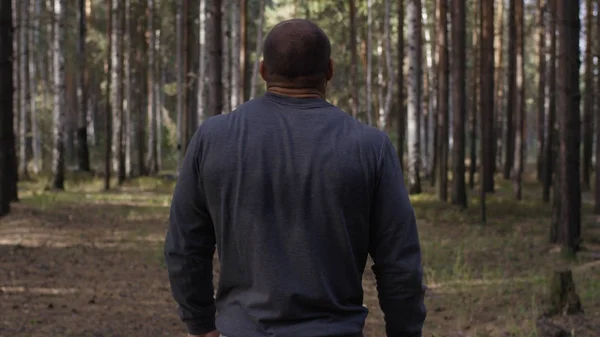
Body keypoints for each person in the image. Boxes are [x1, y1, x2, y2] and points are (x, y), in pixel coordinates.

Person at [164, 18, 426, 337]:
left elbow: (185, 245)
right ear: (329, 70)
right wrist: (405, 331)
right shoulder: (370, 147)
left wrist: (200, 324)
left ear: (263, 71)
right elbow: (399, 262)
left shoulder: (213, 138)